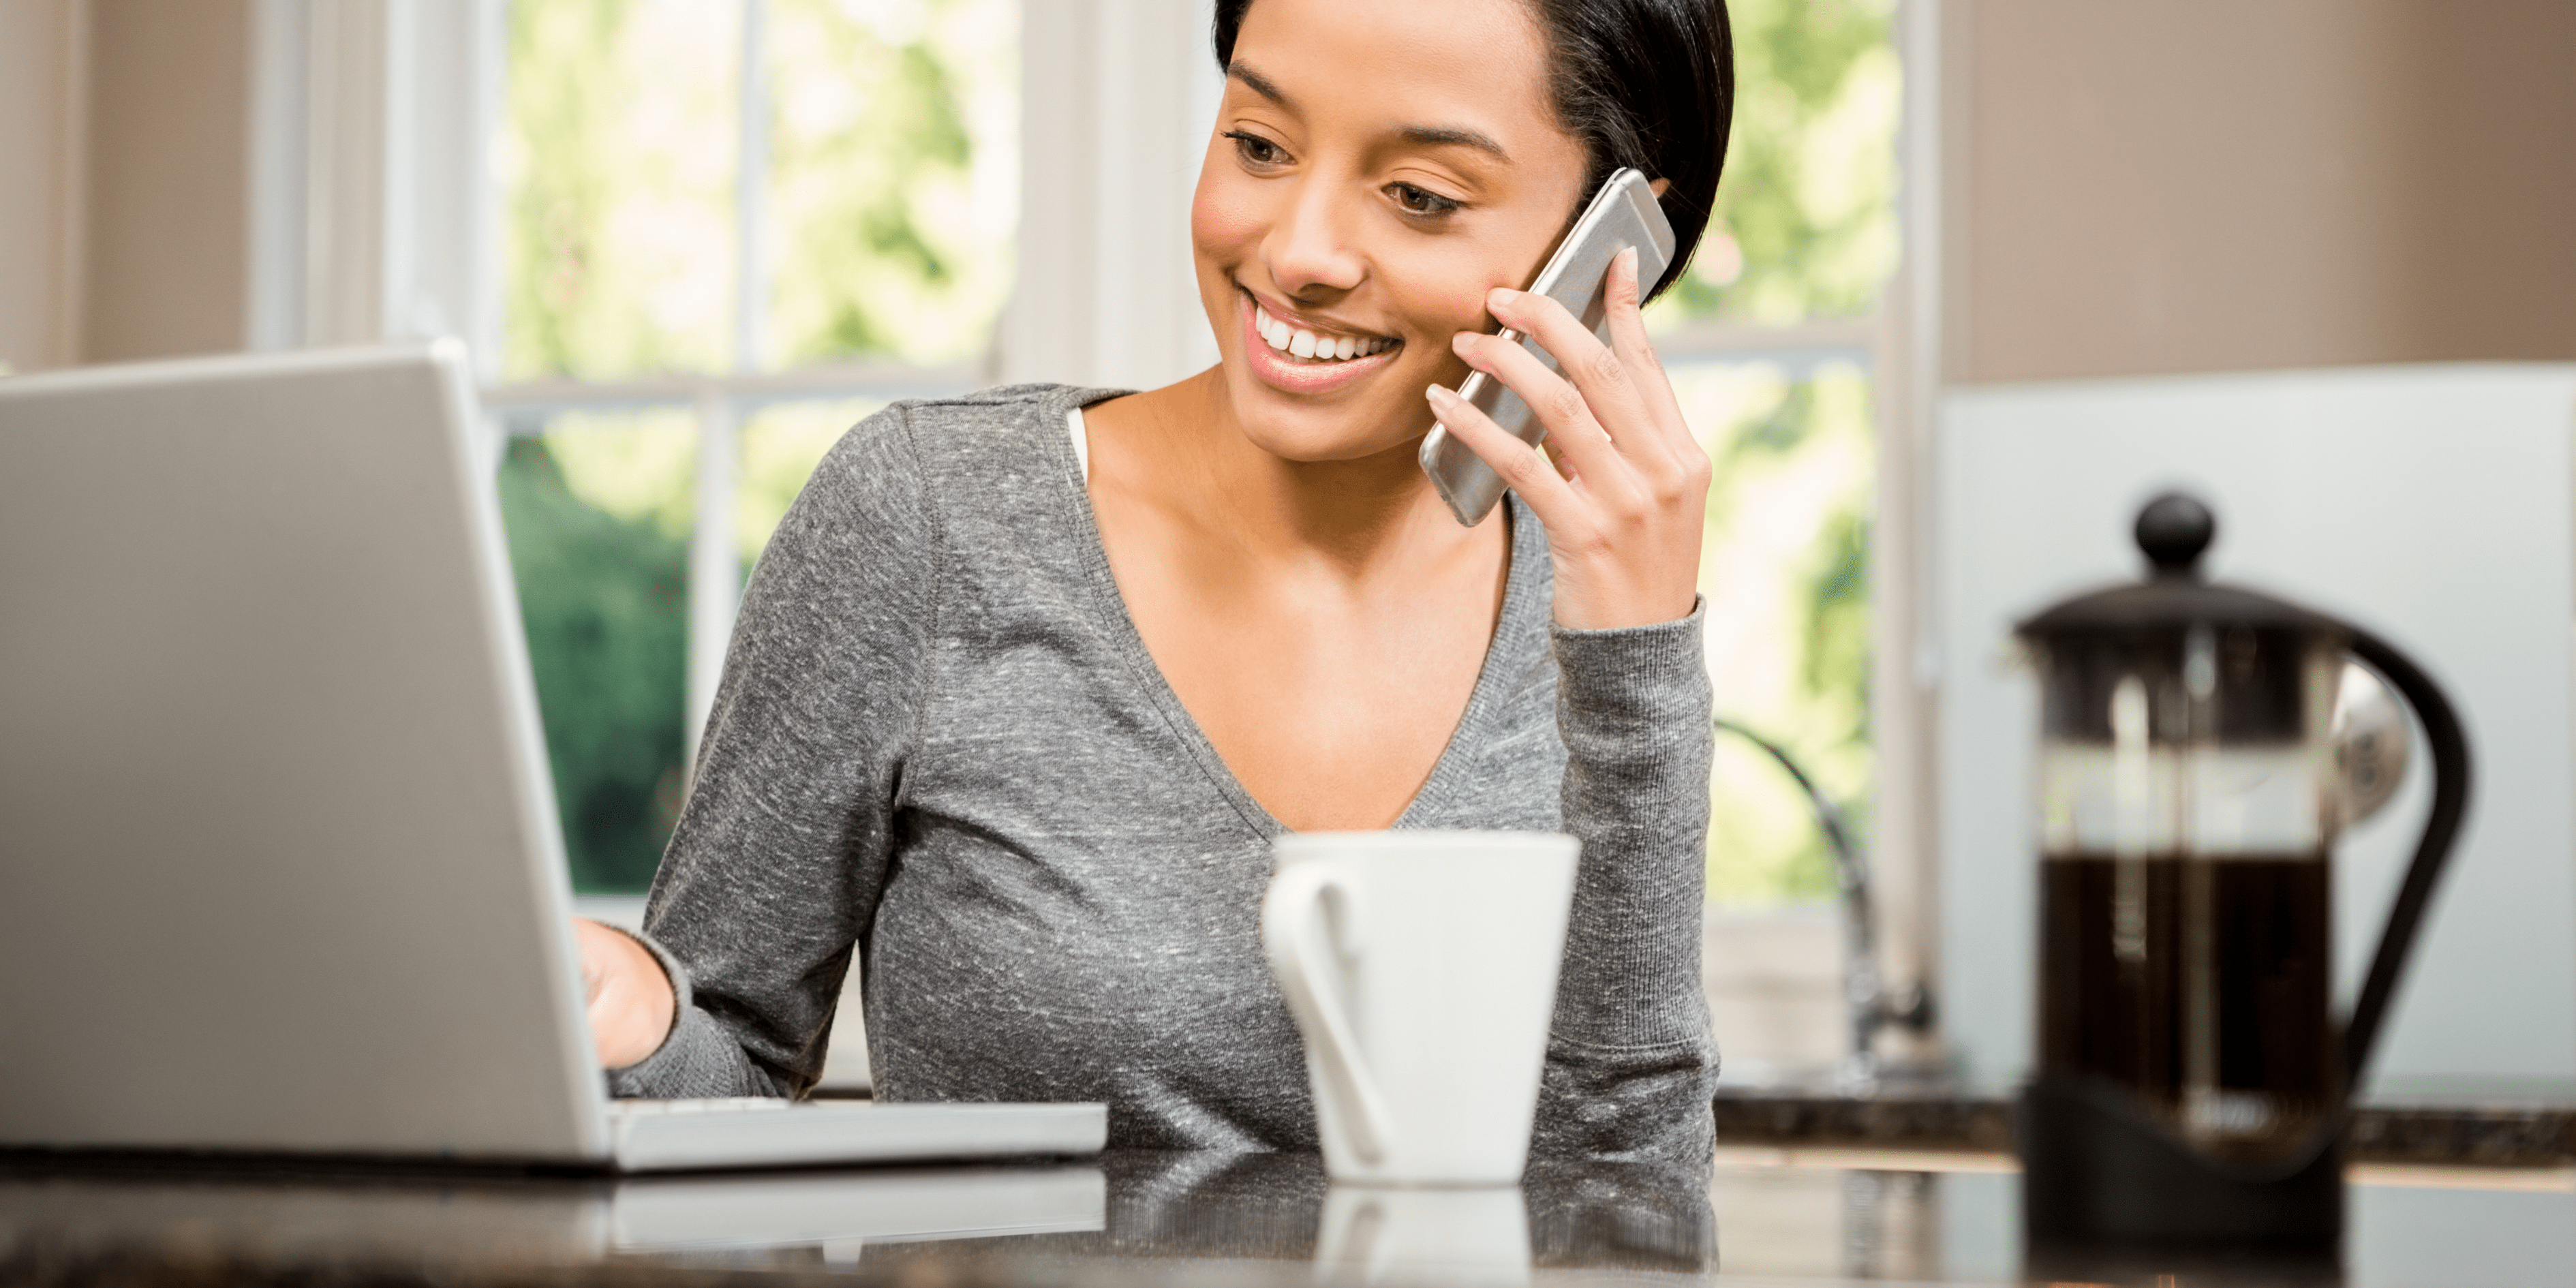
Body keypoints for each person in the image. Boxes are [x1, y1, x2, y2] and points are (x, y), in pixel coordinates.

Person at [574, 0, 1736, 1167]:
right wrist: (635, 1019)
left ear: (1616, 245)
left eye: (1420, 196)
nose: (1299, 254)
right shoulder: (930, 520)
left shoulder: (1602, 609)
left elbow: (1630, 1196)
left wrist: (1639, 663)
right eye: (1261, 146)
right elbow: (718, 1080)